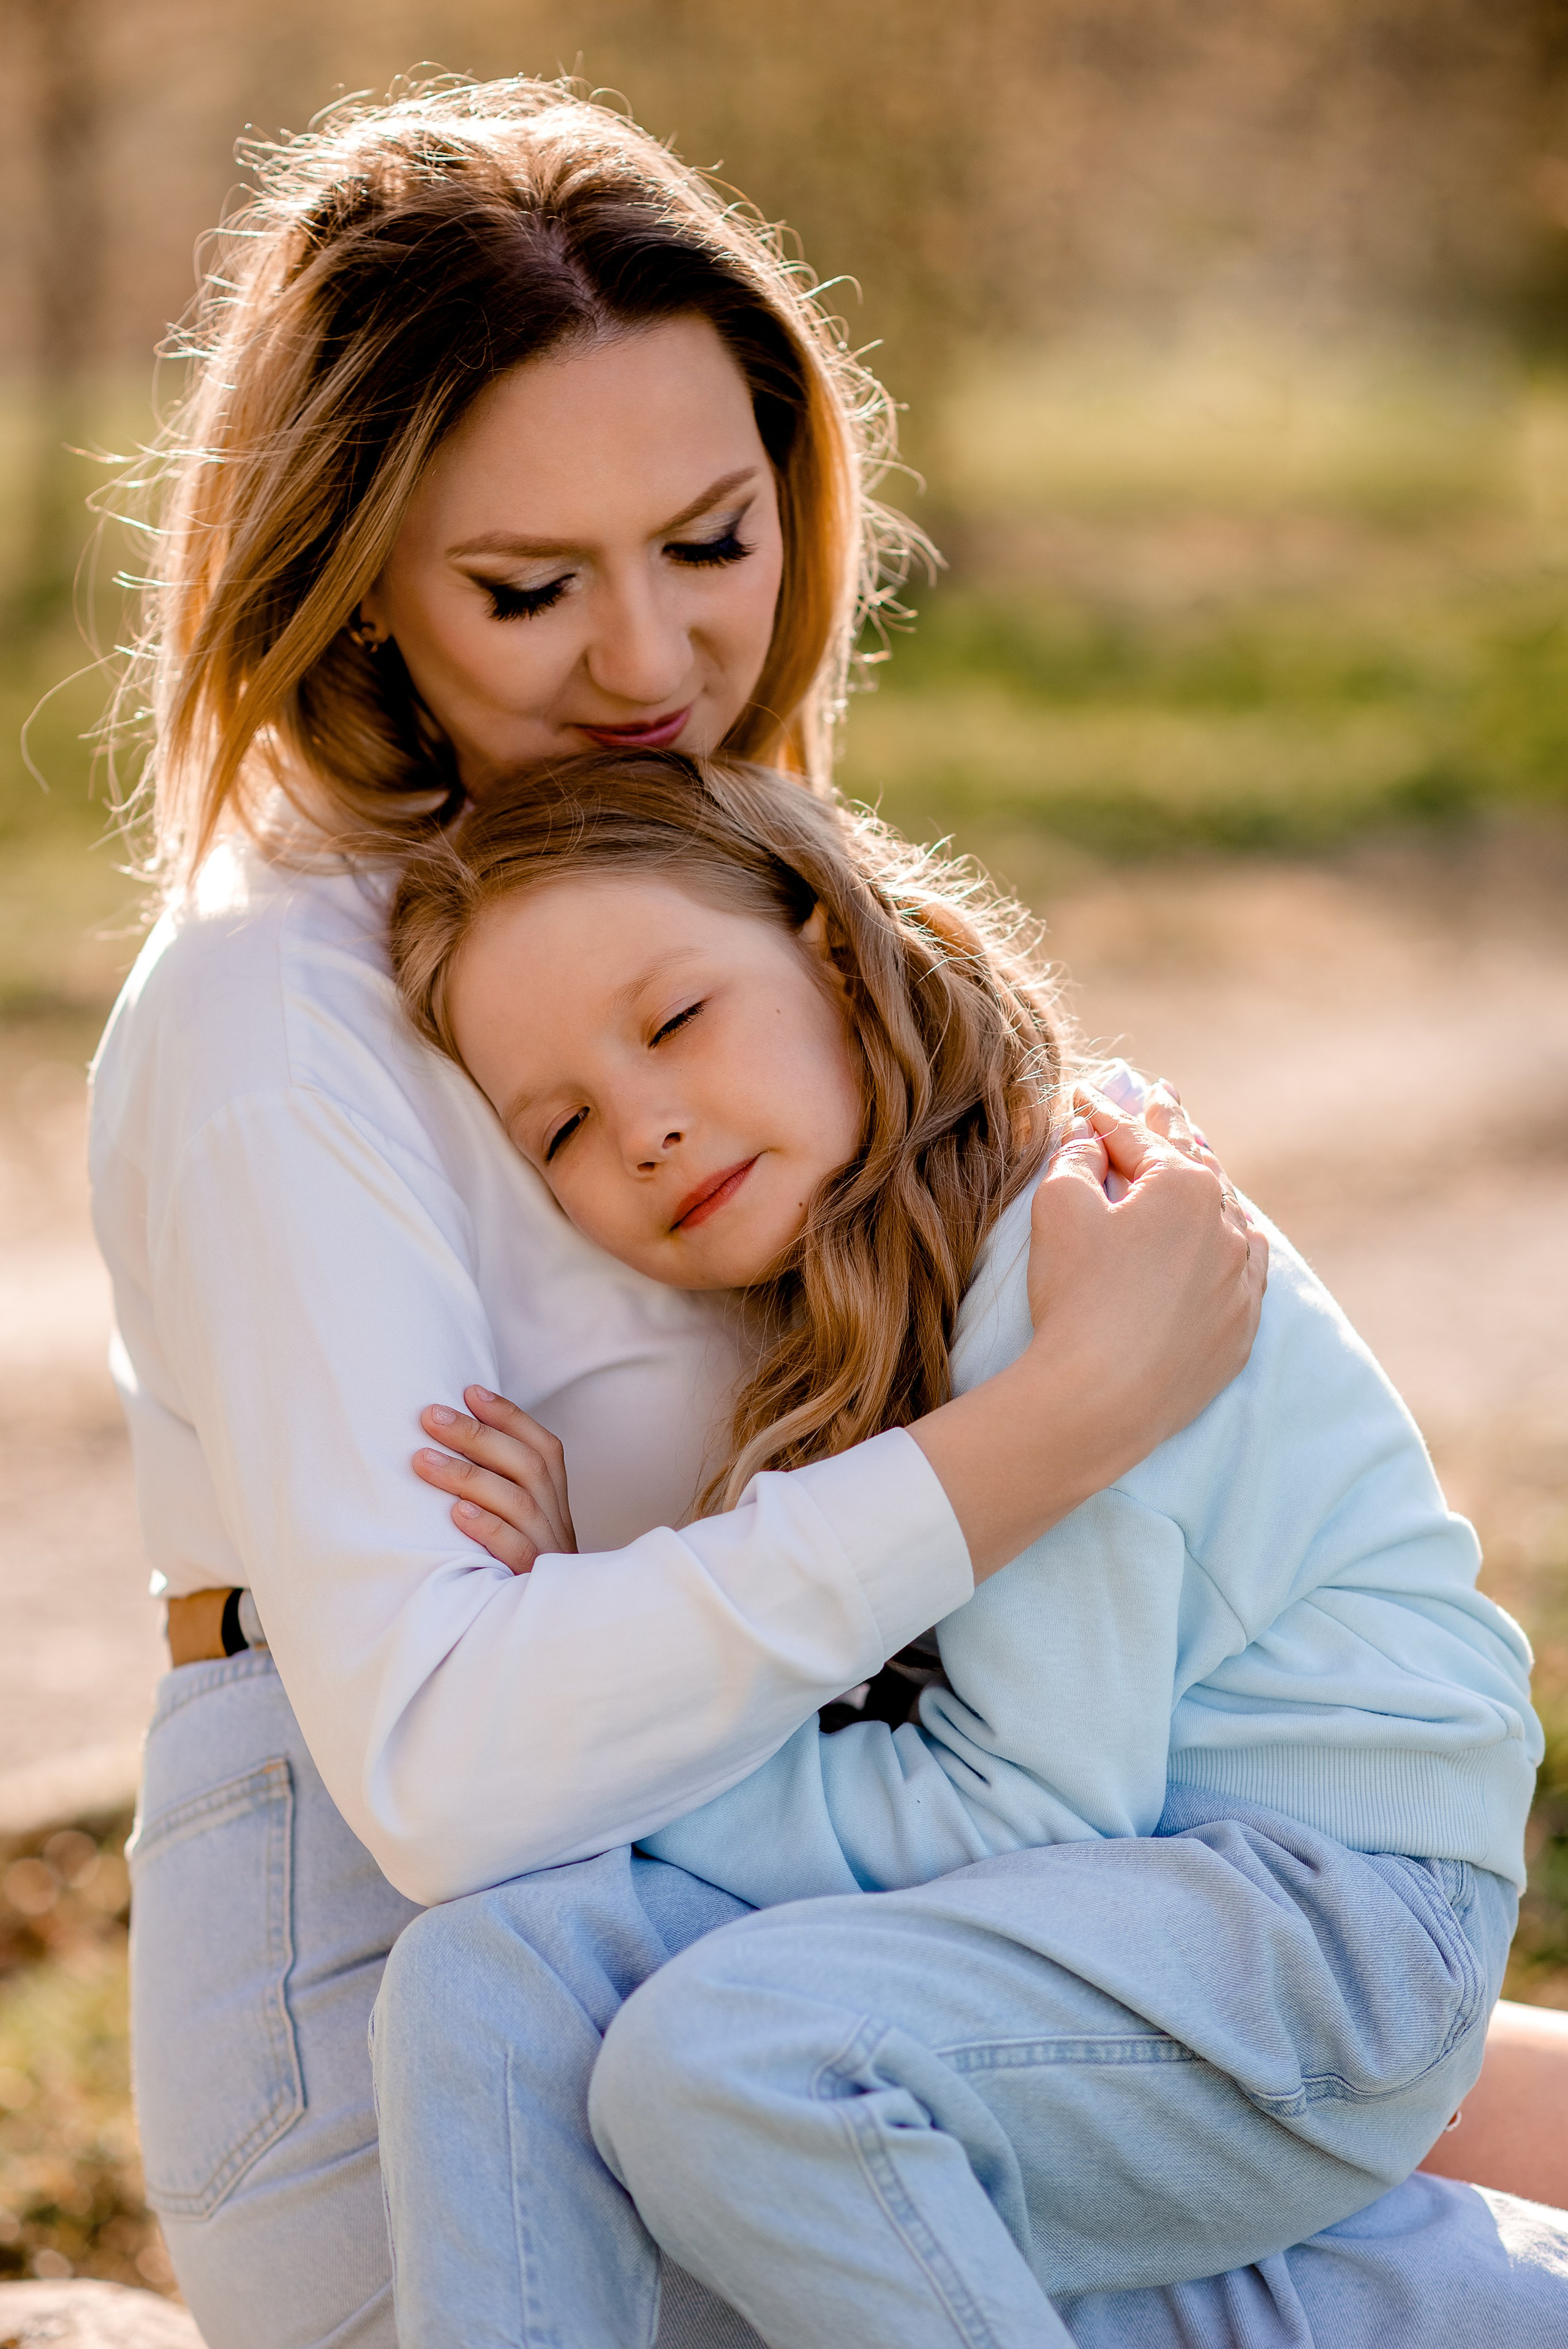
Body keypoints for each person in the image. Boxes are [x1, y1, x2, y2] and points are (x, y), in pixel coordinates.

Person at [86, 77, 1264, 2349]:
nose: (647, 665)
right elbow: (443, 1774)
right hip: (428, 2078)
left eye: (710, 542)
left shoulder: (687, 896)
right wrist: (1051, 1428)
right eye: (529, 588)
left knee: (1441, 2131)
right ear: (352, 593)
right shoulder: (277, 1011)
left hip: (805, 1960)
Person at [366, 748, 1555, 2348]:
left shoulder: (1078, 1250)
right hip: (1117, 1923)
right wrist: (616, 1661)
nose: (642, 1124)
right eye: (564, 1122)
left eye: (673, 1020)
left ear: (834, 948)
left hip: (1331, 1938)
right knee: (488, 1969)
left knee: (728, 2061)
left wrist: (623, 1732)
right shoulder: (851, 1302)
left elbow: (1022, 1810)